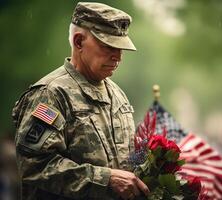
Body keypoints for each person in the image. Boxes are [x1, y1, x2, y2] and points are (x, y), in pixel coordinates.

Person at [12, 2, 149, 200]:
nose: (118, 56)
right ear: (78, 42)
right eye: (108, 46)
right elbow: (34, 166)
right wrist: (106, 179)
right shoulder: (51, 93)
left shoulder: (117, 94)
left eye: (121, 48)